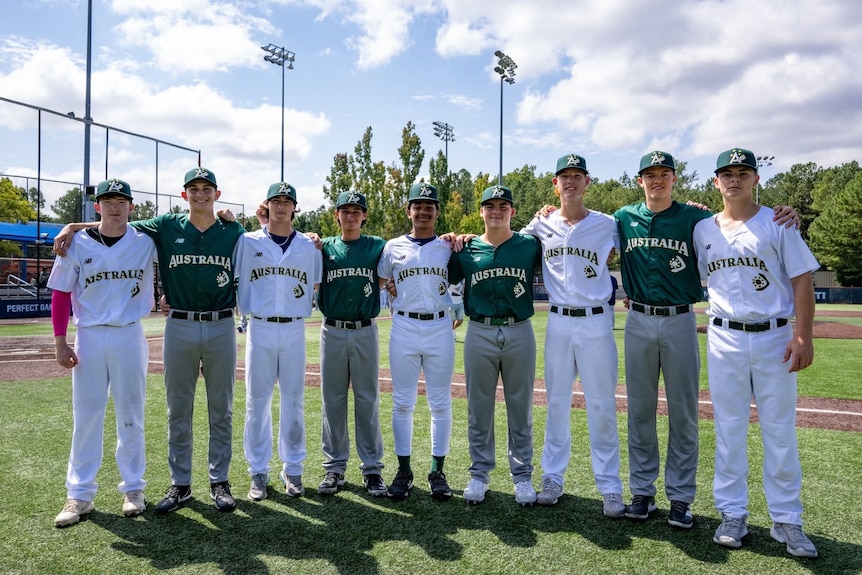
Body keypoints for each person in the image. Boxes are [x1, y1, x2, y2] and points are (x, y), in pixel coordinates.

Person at [616, 151, 799, 529]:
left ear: (675, 179)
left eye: (664, 173)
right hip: (637, 319)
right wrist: (547, 211)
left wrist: (788, 213)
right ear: (639, 180)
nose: (657, 180)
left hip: (681, 318)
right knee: (639, 411)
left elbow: (735, 219)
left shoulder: (697, 219)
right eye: (650, 175)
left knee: (684, 411)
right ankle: (642, 492)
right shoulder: (621, 218)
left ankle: (681, 496)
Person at [54, 167, 246, 513]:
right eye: (193, 188)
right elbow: (111, 229)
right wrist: (72, 227)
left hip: (216, 325)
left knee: (219, 409)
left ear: (217, 194)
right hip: (174, 325)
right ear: (183, 194)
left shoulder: (232, 230)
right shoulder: (164, 226)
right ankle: (178, 484)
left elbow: (264, 241)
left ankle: (215, 482)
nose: (200, 194)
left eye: (207, 188)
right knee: (175, 410)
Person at [695, 148, 819, 558]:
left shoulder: (778, 222)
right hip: (724, 337)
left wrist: (803, 336)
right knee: (729, 430)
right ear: (716, 181)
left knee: (779, 431)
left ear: (756, 179)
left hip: (773, 336)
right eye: (726, 173)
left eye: (743, 172)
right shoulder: (702, 230)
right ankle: (733, 514)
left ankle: (787, 520)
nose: (734, 179)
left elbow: (802, 281)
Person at [50, 178, 156, 527]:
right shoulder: (76, 242)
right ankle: (79, 495)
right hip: (90, 336)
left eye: (121, 200)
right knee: (87, 416)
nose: (114, 206)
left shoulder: (146, 241)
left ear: (131, 206)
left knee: (131, 415)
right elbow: (62, 293)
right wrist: (60, 340)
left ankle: (133, 488)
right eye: (107, 200)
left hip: (128, 333)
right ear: (97, 206)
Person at [522, 154, 625, 517]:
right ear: (555, 184)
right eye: (563, 176)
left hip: (597, 321)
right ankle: (552, 477)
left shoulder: (608, 223)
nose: (570, 182)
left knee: (601, 404)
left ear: (587, 182)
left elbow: (648, 229)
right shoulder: (541, 224)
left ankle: (610, 487)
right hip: (559, 321)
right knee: (556, 403)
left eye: (576, 176)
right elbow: (502, 242)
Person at [448, 184, 542, 506]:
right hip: (480, 331)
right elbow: (444, 276)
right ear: (481, 212)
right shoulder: (467, 248)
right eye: (490, 206)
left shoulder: (529, 245)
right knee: (478, 407)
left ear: (513, 211)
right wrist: (451, 239)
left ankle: (523, 476)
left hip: (519, 330)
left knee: (521, 407)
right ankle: (479, 474)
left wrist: (546, 212)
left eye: (503, 205)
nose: (497, 211)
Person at [235, 182, 322, 501]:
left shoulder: (309, 246)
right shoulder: (247, 241)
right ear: (267, 205)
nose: (282, 206)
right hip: (259, 327)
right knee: (256, 401)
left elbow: (314, 283)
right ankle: (258, 472)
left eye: (287, 201)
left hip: (294, 328)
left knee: (294, 399)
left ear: (295, 208)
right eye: (276, 201)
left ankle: (294, 469)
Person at [377, 182, 455, 500]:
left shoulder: (449, 246)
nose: (423, 211)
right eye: (417, 206)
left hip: (439, 328)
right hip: (405, 328)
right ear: (408, 211)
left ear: (437, 211)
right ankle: (404, 470)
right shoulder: (393, 246)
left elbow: (461, 278)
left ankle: (437, 471)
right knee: (402, 403)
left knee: (440, 403)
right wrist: (389, 288)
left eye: (429, 206)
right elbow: (381, 280)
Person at [317, 191, 388, 496]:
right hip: (332, 330)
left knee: (367, 400)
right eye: (345, 211)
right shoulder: (323, 247)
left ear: (364, 216)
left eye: (356, 211)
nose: (351, 216)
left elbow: (388, 276)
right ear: (337, 215)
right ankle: (334, 468)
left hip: (364, 329)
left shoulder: (376, 246)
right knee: (332, 400)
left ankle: (372, 469)